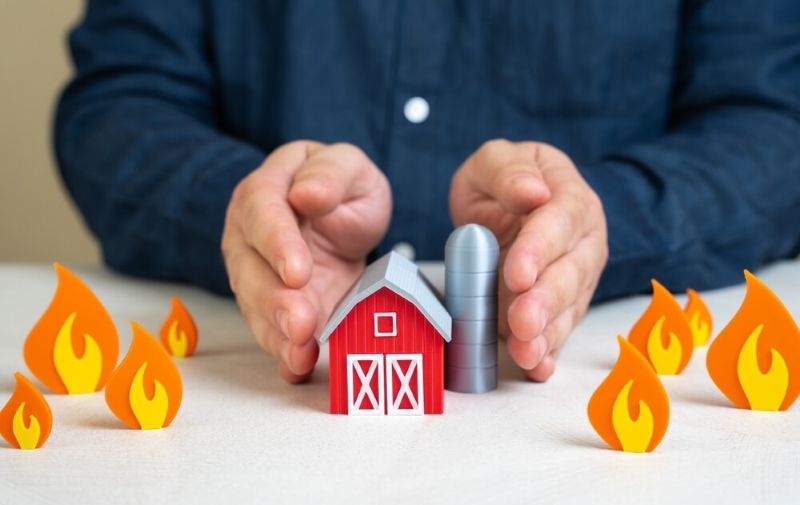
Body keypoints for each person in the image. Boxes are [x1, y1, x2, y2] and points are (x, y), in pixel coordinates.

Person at [55, 1, 800, 384]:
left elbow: (774, 124)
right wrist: (257, 208)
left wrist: (589, 222)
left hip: (586, 368)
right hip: (255, 372)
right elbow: (118, 102)